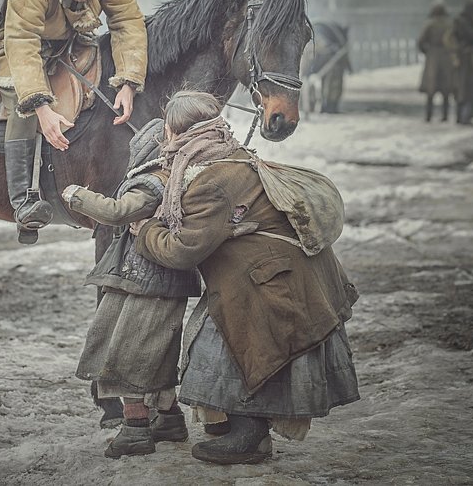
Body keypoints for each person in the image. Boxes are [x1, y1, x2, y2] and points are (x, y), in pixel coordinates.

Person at [134, 91, 360, 465]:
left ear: (177, 131)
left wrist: (144, 230)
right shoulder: (229, 155)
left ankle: (249, 436)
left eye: (169, 130)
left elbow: (183, 250)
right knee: (218, 338)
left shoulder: (211, 180)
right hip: (275, 274)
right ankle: (235, 428)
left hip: (272, 284)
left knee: (226, 344)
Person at [0, 0, 147, 242]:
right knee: (20, 104)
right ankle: (23, 201)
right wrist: (40, 107)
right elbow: (22, 42)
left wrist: (128, 81)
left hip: (69, 38)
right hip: (15, 43)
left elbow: (127, 20)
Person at [63, 118, 201, 459]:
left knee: (126, 355)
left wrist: (75, 194)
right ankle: (169, 418)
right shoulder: (186, 176)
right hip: (163, 280)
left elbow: (117, 212)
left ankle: (135, 429)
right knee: (157, 353)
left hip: (142, 280)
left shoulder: (154, 182)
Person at [418, 3, 454, 122]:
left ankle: (428, 115)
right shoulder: (449, 24)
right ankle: (445, 115)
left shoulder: (430, 24)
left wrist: (426, 51)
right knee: (446, 88)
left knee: (431, 87)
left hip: (433, 55)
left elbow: (421, 41)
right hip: (446, 55)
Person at [450, 0, 473, 125]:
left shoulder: (459, 20)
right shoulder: (463, 22)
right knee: (466, 88)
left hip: (467, 56)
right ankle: (464, 116)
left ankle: (464, 115)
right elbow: (471, 35)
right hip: (466, 57)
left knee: (466, 88)